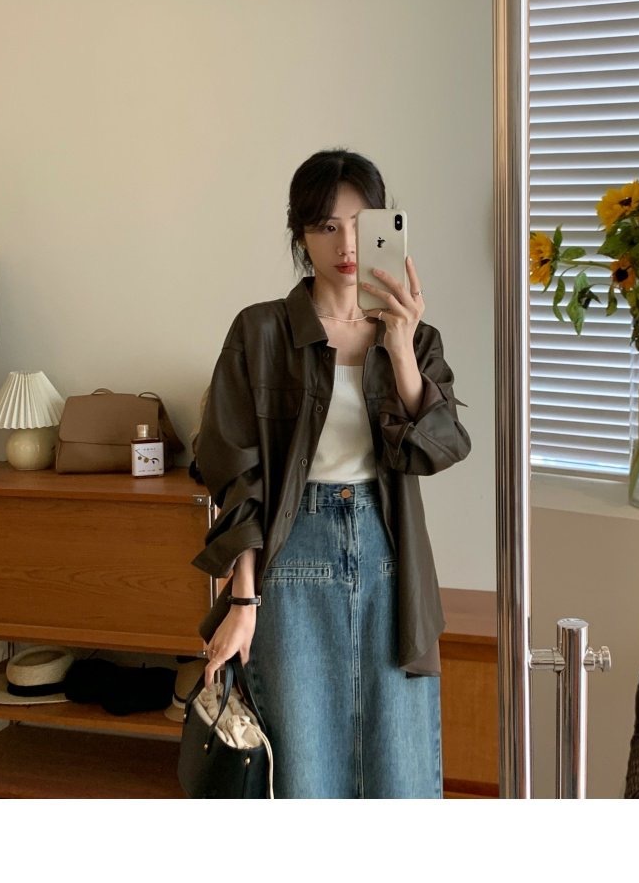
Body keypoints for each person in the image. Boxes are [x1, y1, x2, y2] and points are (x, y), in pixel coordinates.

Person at [193, 148, 471, 798]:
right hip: (292, 558)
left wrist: (400, 350)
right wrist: (242, 601)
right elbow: (236, 476)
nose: (345, 244)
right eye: (325, 226)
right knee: (305, 768)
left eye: (359, 224)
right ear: (301, 235)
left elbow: (440, 447)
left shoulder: (414, 336)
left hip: (390, 558)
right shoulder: (260, 332)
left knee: (399, 769)